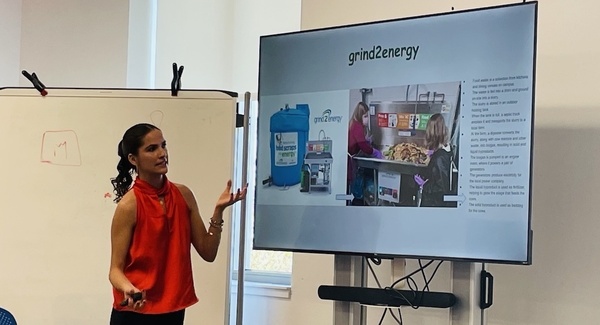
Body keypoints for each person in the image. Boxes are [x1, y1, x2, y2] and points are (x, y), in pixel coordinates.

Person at [108, 123, 247, 325]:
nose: (162, 153)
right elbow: (115, 270)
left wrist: (219, 211)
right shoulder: (129, 206)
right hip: (135, 312)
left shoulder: (183, 195)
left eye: (163, 145)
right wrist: (128, 288)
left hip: (172, 310)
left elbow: (208, 252)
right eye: (151, 149)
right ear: (133, 159)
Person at [414, 114, 454, 207]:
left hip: (433, 205)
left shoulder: (440, 158)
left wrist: (424, 185)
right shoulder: (444, 151)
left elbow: (442, 189)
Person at [347, 102, 383, 205]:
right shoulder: (357, 126)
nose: (367, 119)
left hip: (355, 158)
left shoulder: (356, 124)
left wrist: (368, 143)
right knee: (357, 189)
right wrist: (375, 152)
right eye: (365, 116)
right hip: (353, 161)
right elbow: (363, 147)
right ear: (360, 116)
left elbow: (361, 143)